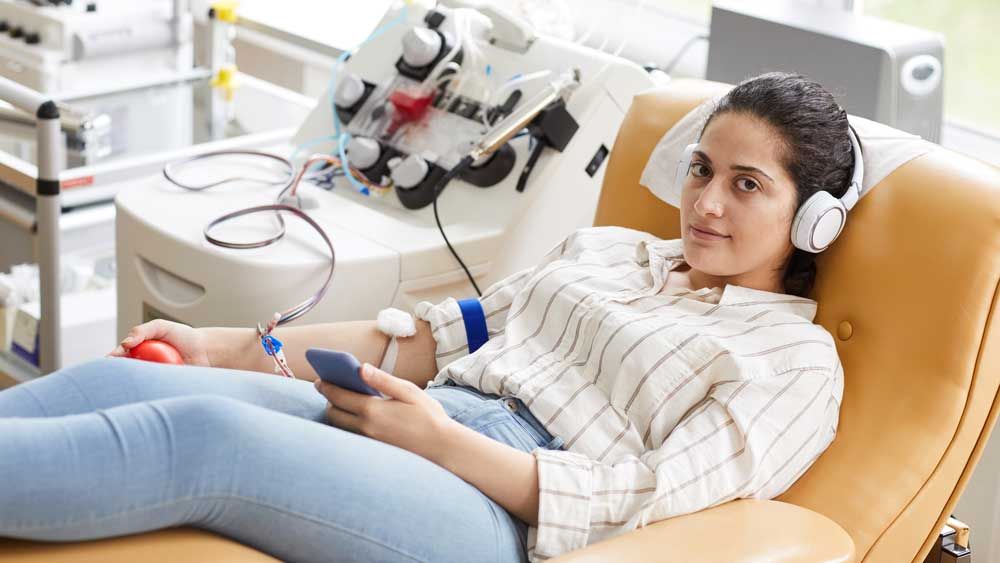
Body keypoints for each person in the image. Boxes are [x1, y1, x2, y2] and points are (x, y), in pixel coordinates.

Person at [0, 72, 850, 563]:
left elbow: (647, 497)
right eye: (702, 169)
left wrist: (445, 442)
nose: (704, 202)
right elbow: (430, 338)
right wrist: (219, 343)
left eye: (747, 184)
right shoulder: (612, 253)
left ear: (811, 217)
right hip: (430, 418)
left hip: (508, 513)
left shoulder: (793, 360)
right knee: (138, 377)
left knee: (203, 441)